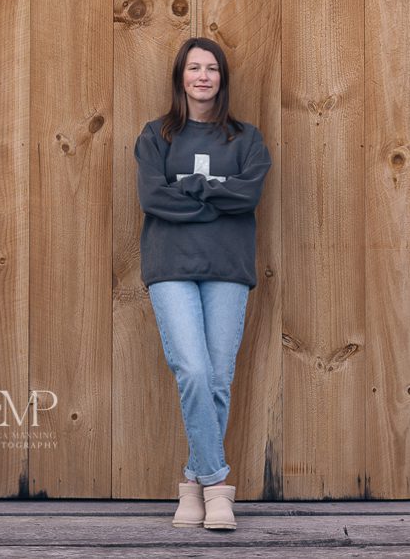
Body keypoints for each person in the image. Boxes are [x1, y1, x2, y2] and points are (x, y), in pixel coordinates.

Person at [135, 36, 271, 532]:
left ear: (222, 78)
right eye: (193, 68)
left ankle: (192, 486)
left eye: (211, 68)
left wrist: (189, 189)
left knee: (217, 379)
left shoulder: (247, 139)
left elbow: (248, 195)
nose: (202, 76)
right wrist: (216, 195)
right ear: (180, 77)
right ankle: (217, 486)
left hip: (227, 269)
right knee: (192, 370)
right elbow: (153, 198)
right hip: (170, 267)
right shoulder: (156, 137)